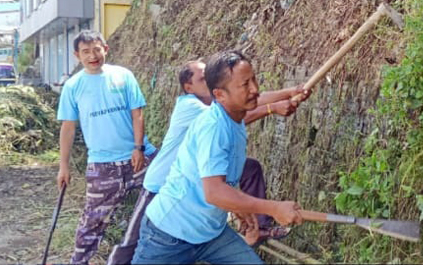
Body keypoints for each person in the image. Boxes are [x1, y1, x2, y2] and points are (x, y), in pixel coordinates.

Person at [107, 59, 310, 265]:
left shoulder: (232, 114)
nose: (255, 89)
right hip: (169, 234)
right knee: (127, 247)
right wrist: (273, 208)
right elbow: (214, 192)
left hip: (211, 232)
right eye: (244, 84)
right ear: (219, 95)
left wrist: (289, 92)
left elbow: (254, 100)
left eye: (253, 80)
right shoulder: (211, 124)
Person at [56, 30, 158, 265]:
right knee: (93, 221)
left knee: (172, 193)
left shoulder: (123, 76)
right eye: (86, 51)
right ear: (77, 55)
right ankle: (79, 261)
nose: (93, 56)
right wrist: (64, 166)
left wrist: (139, 147)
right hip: (102, 167)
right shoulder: (73, 86)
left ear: (106, 49)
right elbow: (68, 128)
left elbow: (137, 113)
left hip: (139, 159)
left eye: (96, 49)